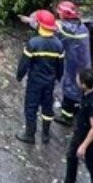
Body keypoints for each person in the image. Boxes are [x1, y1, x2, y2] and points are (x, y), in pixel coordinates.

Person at [52, 69, 93, 183]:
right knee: (71, 157)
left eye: (78, 79)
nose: (76, 79)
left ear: (84, 84)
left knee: (92, 166)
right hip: (80, 133)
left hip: (91, 141)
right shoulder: (87, 92)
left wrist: (84, 146)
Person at [15, 10, 65, 144]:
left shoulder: (33, 43)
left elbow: (24, 63)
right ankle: (45, 135)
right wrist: (58, 78)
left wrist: (19, 76)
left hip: (35, 81)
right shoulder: (58, 45)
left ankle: (29, 134)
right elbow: (61, 67)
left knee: (31, 106)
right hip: (50, 82)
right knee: (47, 107)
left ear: (40, 25)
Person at [54, 1, 91, 127]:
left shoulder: (67, 31)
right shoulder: (82, 27)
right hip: (84, 63)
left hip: (73, 64)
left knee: (70, 86)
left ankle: (66, 117)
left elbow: (58, 36)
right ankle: (75, 108)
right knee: (80, 87)